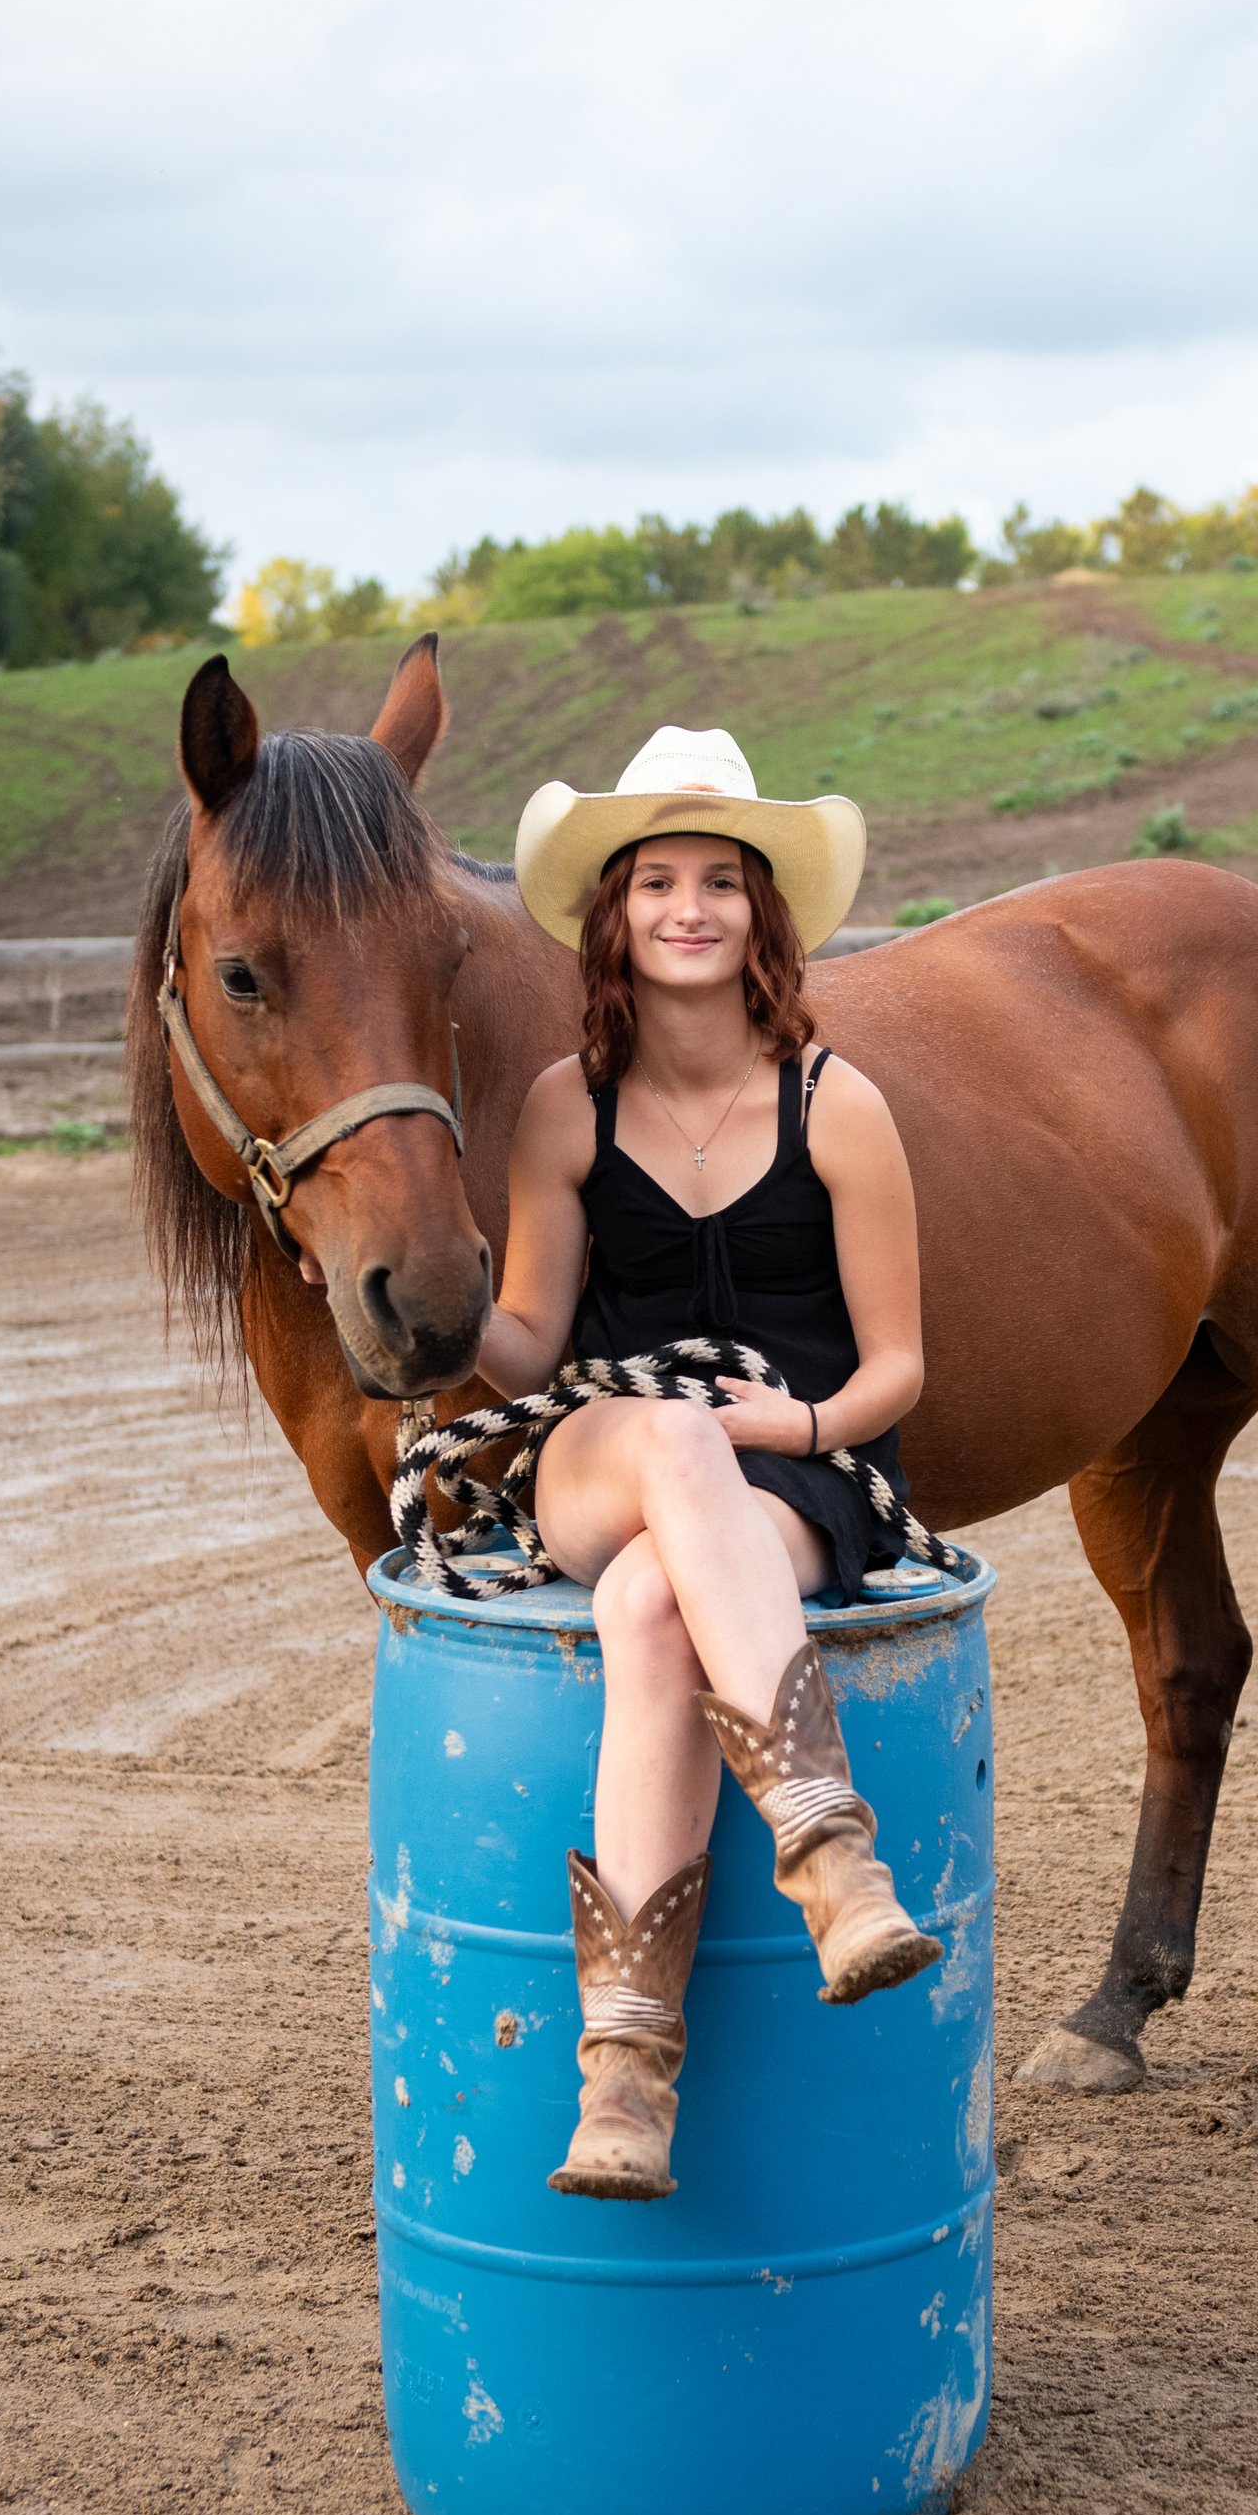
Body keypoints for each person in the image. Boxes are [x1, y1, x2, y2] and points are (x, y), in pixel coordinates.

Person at [478, 724, 943, 2204]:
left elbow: (897, 1366)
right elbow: (528, 1342)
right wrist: (429, 1309)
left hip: (791, 1476)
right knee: (670, 1441)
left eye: (722, 882)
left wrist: (795, 1430)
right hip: (605, 1452)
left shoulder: (837, 1103)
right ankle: (831, 1857)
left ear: (763, 912)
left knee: (648, 1612)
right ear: (615, 913)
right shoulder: (567, 1104)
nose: (691, 907)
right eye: (659, 880)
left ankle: (623, 2070)